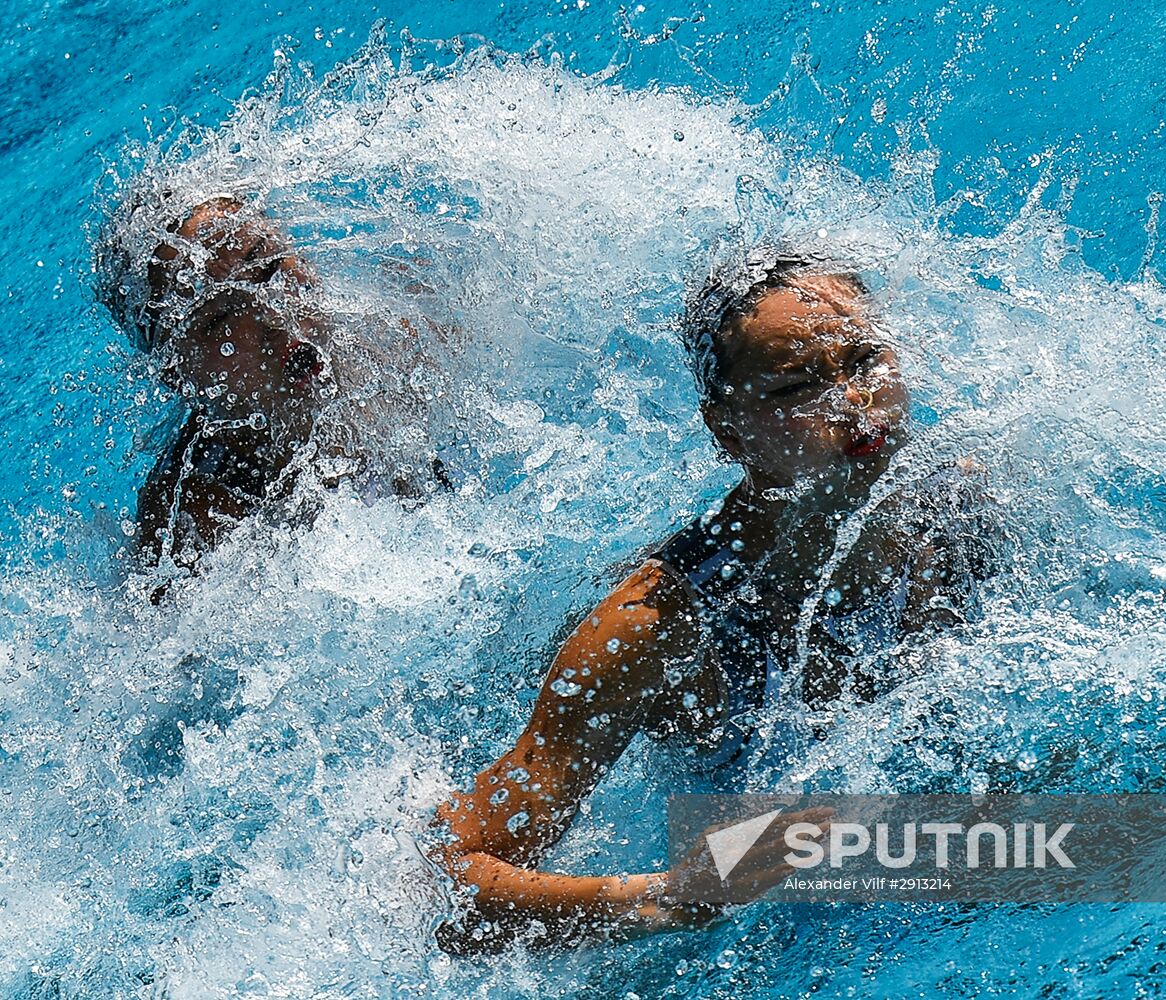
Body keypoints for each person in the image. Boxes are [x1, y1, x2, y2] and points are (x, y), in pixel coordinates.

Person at [428, 247, 995, 952]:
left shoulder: (965, 512)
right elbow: (444, 886)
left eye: (864, 361)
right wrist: (668, 897)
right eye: (795, 387)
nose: (854, 401)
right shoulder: (658, 626)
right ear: (727, 431)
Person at [101, 195, 451, 576]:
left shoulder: (408, 343)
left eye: (268, 267)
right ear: (177, 372)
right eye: (223, 319)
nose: (272, 316)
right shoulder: (194, 518)